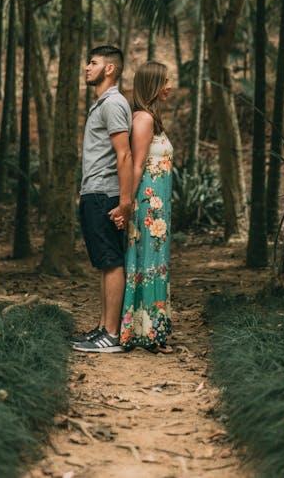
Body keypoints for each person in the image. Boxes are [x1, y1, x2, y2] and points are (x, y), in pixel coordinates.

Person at [72, 45, 133, 353]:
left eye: (93, 63)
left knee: (111, 262)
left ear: (109, 69)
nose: (87, 67)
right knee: (105, 263)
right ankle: (102, 328)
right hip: (94, 192)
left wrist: (124, 203)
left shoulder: (113, 104)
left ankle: (111, 334)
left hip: (105, 194)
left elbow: (124, 154)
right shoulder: (103, 104)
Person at [117, 61, 173, 354]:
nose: (169, 86)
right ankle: (146, 334)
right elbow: (136, 166)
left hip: (157, 208)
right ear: (152, 85)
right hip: (146, 208)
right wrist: (126, 204)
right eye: (165, 81)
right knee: (147, 265)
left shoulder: (150, 117)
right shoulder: (143, 119)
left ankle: (148, 330)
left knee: (154, 265)